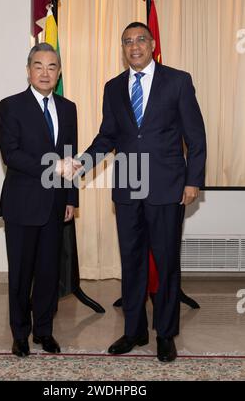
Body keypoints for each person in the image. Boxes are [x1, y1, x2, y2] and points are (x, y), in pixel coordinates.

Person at [62, 22, 206, 362]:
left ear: (152, 43)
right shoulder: (113, 87)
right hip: (128, 186)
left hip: (167, 186)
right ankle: (135, 331)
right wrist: (82, 162)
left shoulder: (178, 80)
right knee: (132, 261)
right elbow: (108, 136)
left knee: (167, 262)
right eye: (127, 41)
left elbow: (196, 137)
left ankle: (166, 333)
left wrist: (193, 180)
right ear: (122, 48)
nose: (134, 46)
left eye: (140, 39)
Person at [0, 43, 78, 357]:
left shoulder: (68, 107)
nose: (46, 72)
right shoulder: (11, 106)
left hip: (56, 204)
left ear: (58, 73)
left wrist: (71, 198)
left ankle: (44, 331)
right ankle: (19, 334)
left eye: (52, 66)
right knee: (20, 274)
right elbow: (11, 155)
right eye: (39, 66)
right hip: (21, 204)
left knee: (48, 274)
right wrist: (52, 166)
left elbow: (70, 155)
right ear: (29, 69)